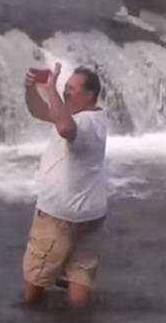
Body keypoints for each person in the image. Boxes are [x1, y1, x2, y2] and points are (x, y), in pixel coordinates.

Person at [21, 63, 110, 309]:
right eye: (65, 87)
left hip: (59, 215)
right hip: (91, 214)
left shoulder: (83, 125)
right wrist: (30, 89)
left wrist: (50, 90)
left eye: (71, 88)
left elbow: (65, 128)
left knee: (35, 278)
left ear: (89, 95)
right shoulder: (92, 118)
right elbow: (41, 112)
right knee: (80, 273)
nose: (66, 92)